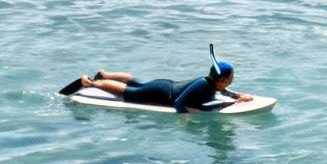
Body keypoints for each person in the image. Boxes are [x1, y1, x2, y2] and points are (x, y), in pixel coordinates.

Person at [63, 46, 253, 113]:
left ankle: (104, 74)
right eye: (231, 76)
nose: (232, 79)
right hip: (162, 94)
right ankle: (91, 83)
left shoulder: (209, 83)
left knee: (138, 83)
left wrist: (237, 97)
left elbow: (220, 92)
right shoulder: (203, 85)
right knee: (130, 93)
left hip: (164, 85)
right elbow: (179, 103)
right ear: (222, 78)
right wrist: (184, 118)